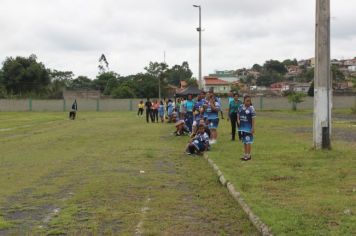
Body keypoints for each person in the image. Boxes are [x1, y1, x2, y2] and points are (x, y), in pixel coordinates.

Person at [237, 95, 256, 161]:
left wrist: (253, 128)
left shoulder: (251, 108)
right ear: (244, 101)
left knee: (248, 141)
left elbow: (253, 119)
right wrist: (238, 120)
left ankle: (248, 156)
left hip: (248, 128)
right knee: (244, 141)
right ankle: (245, 154)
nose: (248, 102)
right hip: (242, 128)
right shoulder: (240, 107)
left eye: (249, 101)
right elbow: (238, 113)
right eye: (247, 101)